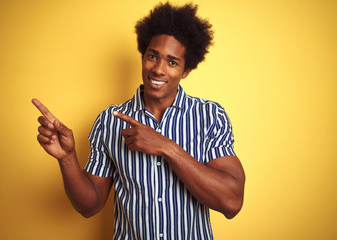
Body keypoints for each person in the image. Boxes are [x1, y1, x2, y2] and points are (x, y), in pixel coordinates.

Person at [32, 2, 245, 239]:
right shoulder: (109, 121)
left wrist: (166, 147)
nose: (159, 69)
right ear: (143, 56)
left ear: (186, 70)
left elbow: (232, 201)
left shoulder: (209, 117)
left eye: (172, 62)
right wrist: (67, 158)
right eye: (152, 56)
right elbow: (89, 206)